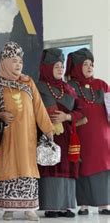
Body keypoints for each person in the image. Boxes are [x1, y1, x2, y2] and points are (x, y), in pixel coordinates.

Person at [0, 42, 54, 221]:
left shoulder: (28, 83)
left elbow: (39, 108)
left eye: (20, 61)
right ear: (4, 63)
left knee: (27, 167)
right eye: (14, 61)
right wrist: (1, 114)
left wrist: (48, 129)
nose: (18, 65)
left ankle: (29, 209)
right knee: (7, 167)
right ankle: (7, 208)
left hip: (27, 137)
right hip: (8, 138)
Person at [36, 48, 83, 218]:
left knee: (67, 168)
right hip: (47, 136)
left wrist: (67, 116)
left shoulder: (69, 89)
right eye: (55, 66)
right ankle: (51, 206)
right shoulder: (38, 87)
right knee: (50, 167)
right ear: (47, 67)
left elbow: (81, 111)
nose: (60, 69)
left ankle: (66, 206)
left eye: (62, 66)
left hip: (67, 137)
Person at [66, 48, 110, 215]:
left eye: (91, 64)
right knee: (82, 166)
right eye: (85, 64)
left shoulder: (101, 84)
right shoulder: (70, 86)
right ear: (77, 66)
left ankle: (104, 204)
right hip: (81, 133)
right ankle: (83, 204)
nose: (89, 67)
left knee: (103, 166)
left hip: (102, 135)